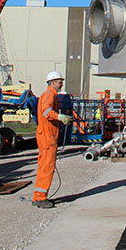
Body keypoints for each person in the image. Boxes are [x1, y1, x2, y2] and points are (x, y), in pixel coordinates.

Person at [32, 70, 72, 208]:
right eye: (60, 81)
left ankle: (38, 195)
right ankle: (41, 197)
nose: (61, 83)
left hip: (46, 134)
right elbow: (46, 112)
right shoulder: (49, 95)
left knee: (43, 165)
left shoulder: (50, 95)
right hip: (47, 136)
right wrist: (60, 117)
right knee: (47, 166)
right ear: (53, 82)